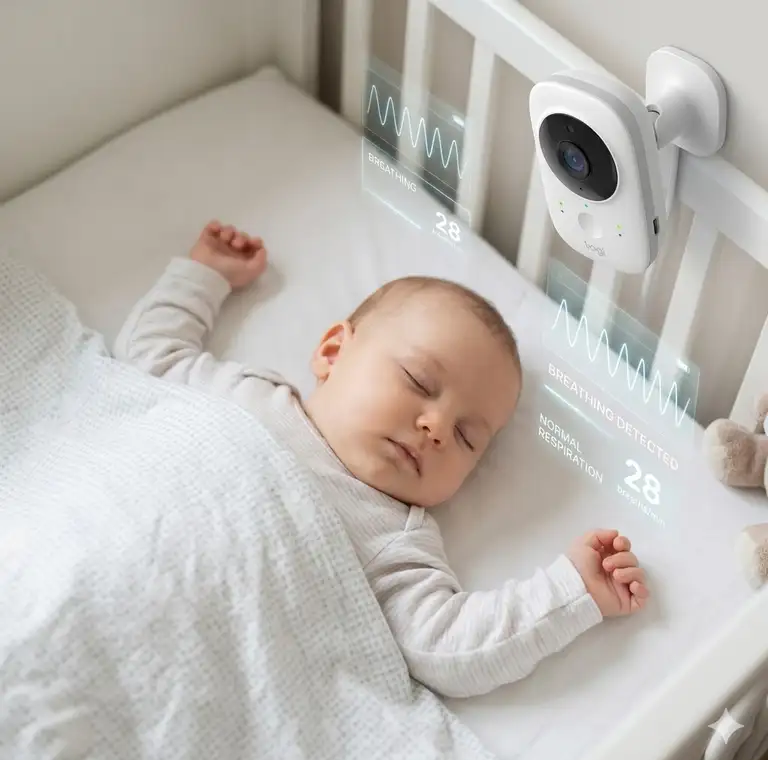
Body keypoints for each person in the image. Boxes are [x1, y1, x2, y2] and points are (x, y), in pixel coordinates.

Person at [114, 220, 650, 698]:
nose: (436, 428)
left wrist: (571, 589)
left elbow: (449, 648)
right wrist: (205, 276)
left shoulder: (394, 537)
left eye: (466, 437)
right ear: (332, 352)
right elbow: (150, 357)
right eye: (418, 381)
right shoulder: (250, 397)